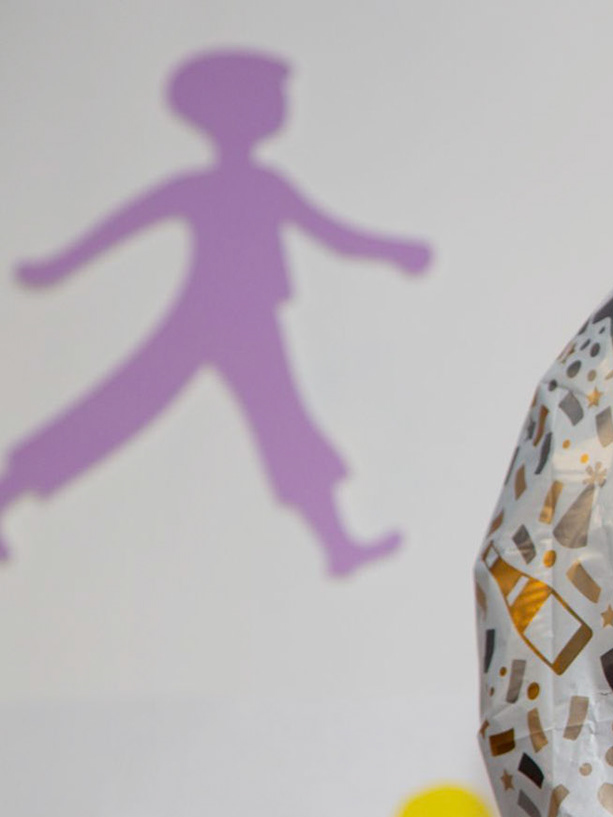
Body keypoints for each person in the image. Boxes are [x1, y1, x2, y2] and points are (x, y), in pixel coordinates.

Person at [2, 50, 428, 575]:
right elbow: (124, 226)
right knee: (125, 408)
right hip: (210, 319)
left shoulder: (266, 185)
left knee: (283, 423)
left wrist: (395, 251)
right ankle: (8, 491)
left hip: (249, 322)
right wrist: (55, 268)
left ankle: (338, 545)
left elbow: (336, 237)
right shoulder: (208, 188)